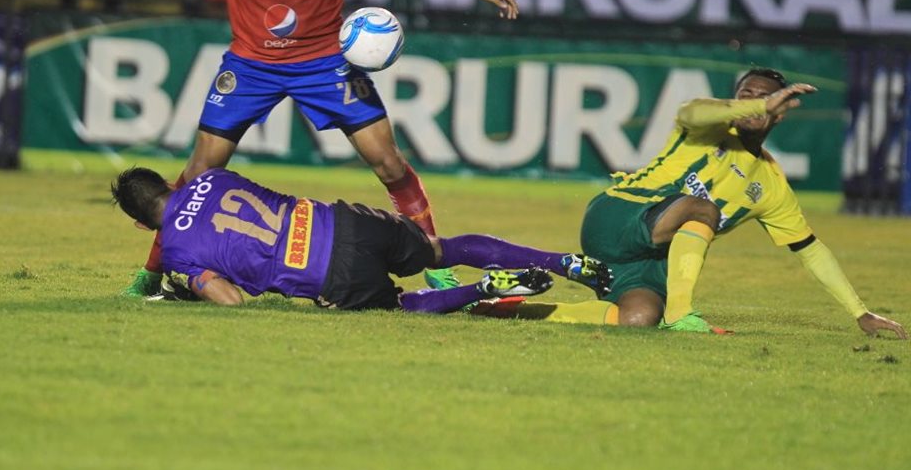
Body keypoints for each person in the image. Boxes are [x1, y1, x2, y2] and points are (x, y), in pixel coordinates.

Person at [65, 0, 519, 298]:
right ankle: (152, 274)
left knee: (388, 163)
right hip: (251, 65)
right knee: (198, 176)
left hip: (323, 61)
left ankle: (434, 261)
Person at [472, 68, 908, 339]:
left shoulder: (771, 186)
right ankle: (682, 314)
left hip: (650, 259)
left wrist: (859, 311)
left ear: (781, 113)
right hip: (617, 215)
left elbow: (810, 250)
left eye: (765, 99)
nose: (754, 104)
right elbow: (693, 111)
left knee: (638, 319)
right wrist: (741, 107)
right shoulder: (706, 130)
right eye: (747, 95)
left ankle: (508, 310)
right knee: (705, 210)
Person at [110, 165, 613, 312]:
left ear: (140, 225)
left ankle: (483, 290)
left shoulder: (175, 251)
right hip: (346, 222)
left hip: (328, 274)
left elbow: (231, 299)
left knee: (402, 306)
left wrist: (191, 290)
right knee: (442, 248)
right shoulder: (212, 178)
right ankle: (564, 261)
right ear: (170, 183)